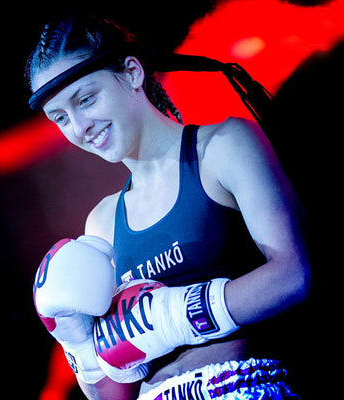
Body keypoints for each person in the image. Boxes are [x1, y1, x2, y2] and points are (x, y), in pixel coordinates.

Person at [27, 16, 310, 400]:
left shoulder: (222, 146)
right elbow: (113, 395)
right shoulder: (103, 221)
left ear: (131, 73)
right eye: (60, 118)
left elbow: (295, 276)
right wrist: (79, 346)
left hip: (244, 387)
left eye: (86, 99)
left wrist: (172, 319)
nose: (79, 127)